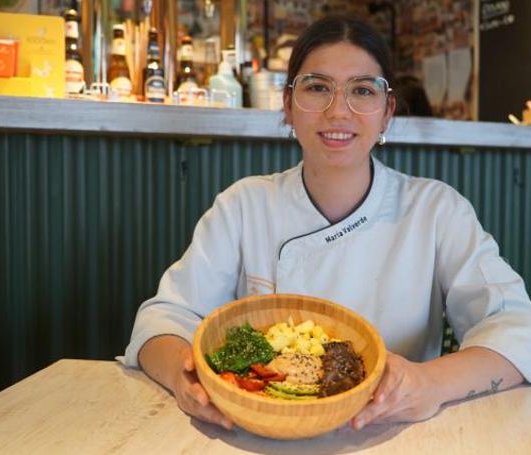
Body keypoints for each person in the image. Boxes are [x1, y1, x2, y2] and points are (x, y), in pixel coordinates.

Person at [120, 16, 530, 431]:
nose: (338, 111)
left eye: (362, 90)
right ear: (288, 105)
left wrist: (430, 383)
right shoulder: (244, 205)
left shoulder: (436, 210)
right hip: (263, 434)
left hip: (390, 433)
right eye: (317, 87)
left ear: (387, 112)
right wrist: (183, 376)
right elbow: (164, 318)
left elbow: (518, 328)